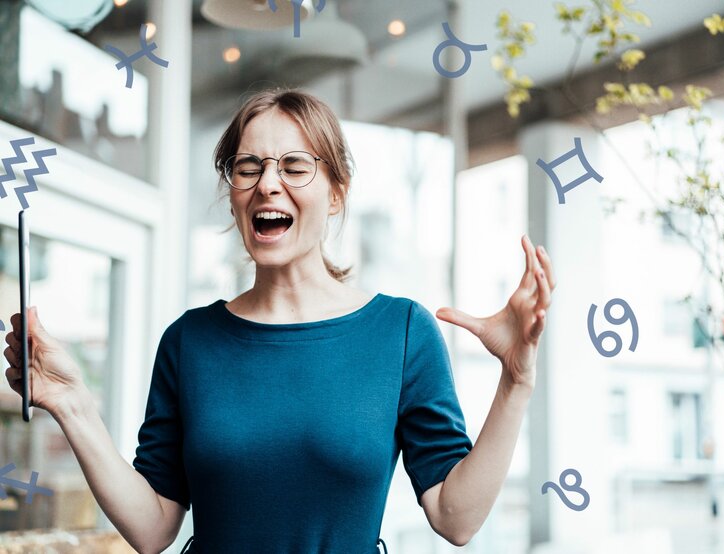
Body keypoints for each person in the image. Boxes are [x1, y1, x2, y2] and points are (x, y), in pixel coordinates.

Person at [3, 89, 555, 554]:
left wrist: (515, 382)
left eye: (294, 166)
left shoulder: (402, 332)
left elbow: (455, 518)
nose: (268, 183)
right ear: (234, 194)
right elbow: (153, 528)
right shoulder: (189, 342)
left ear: (336, 193)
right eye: (249, 167)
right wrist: (73, 403)